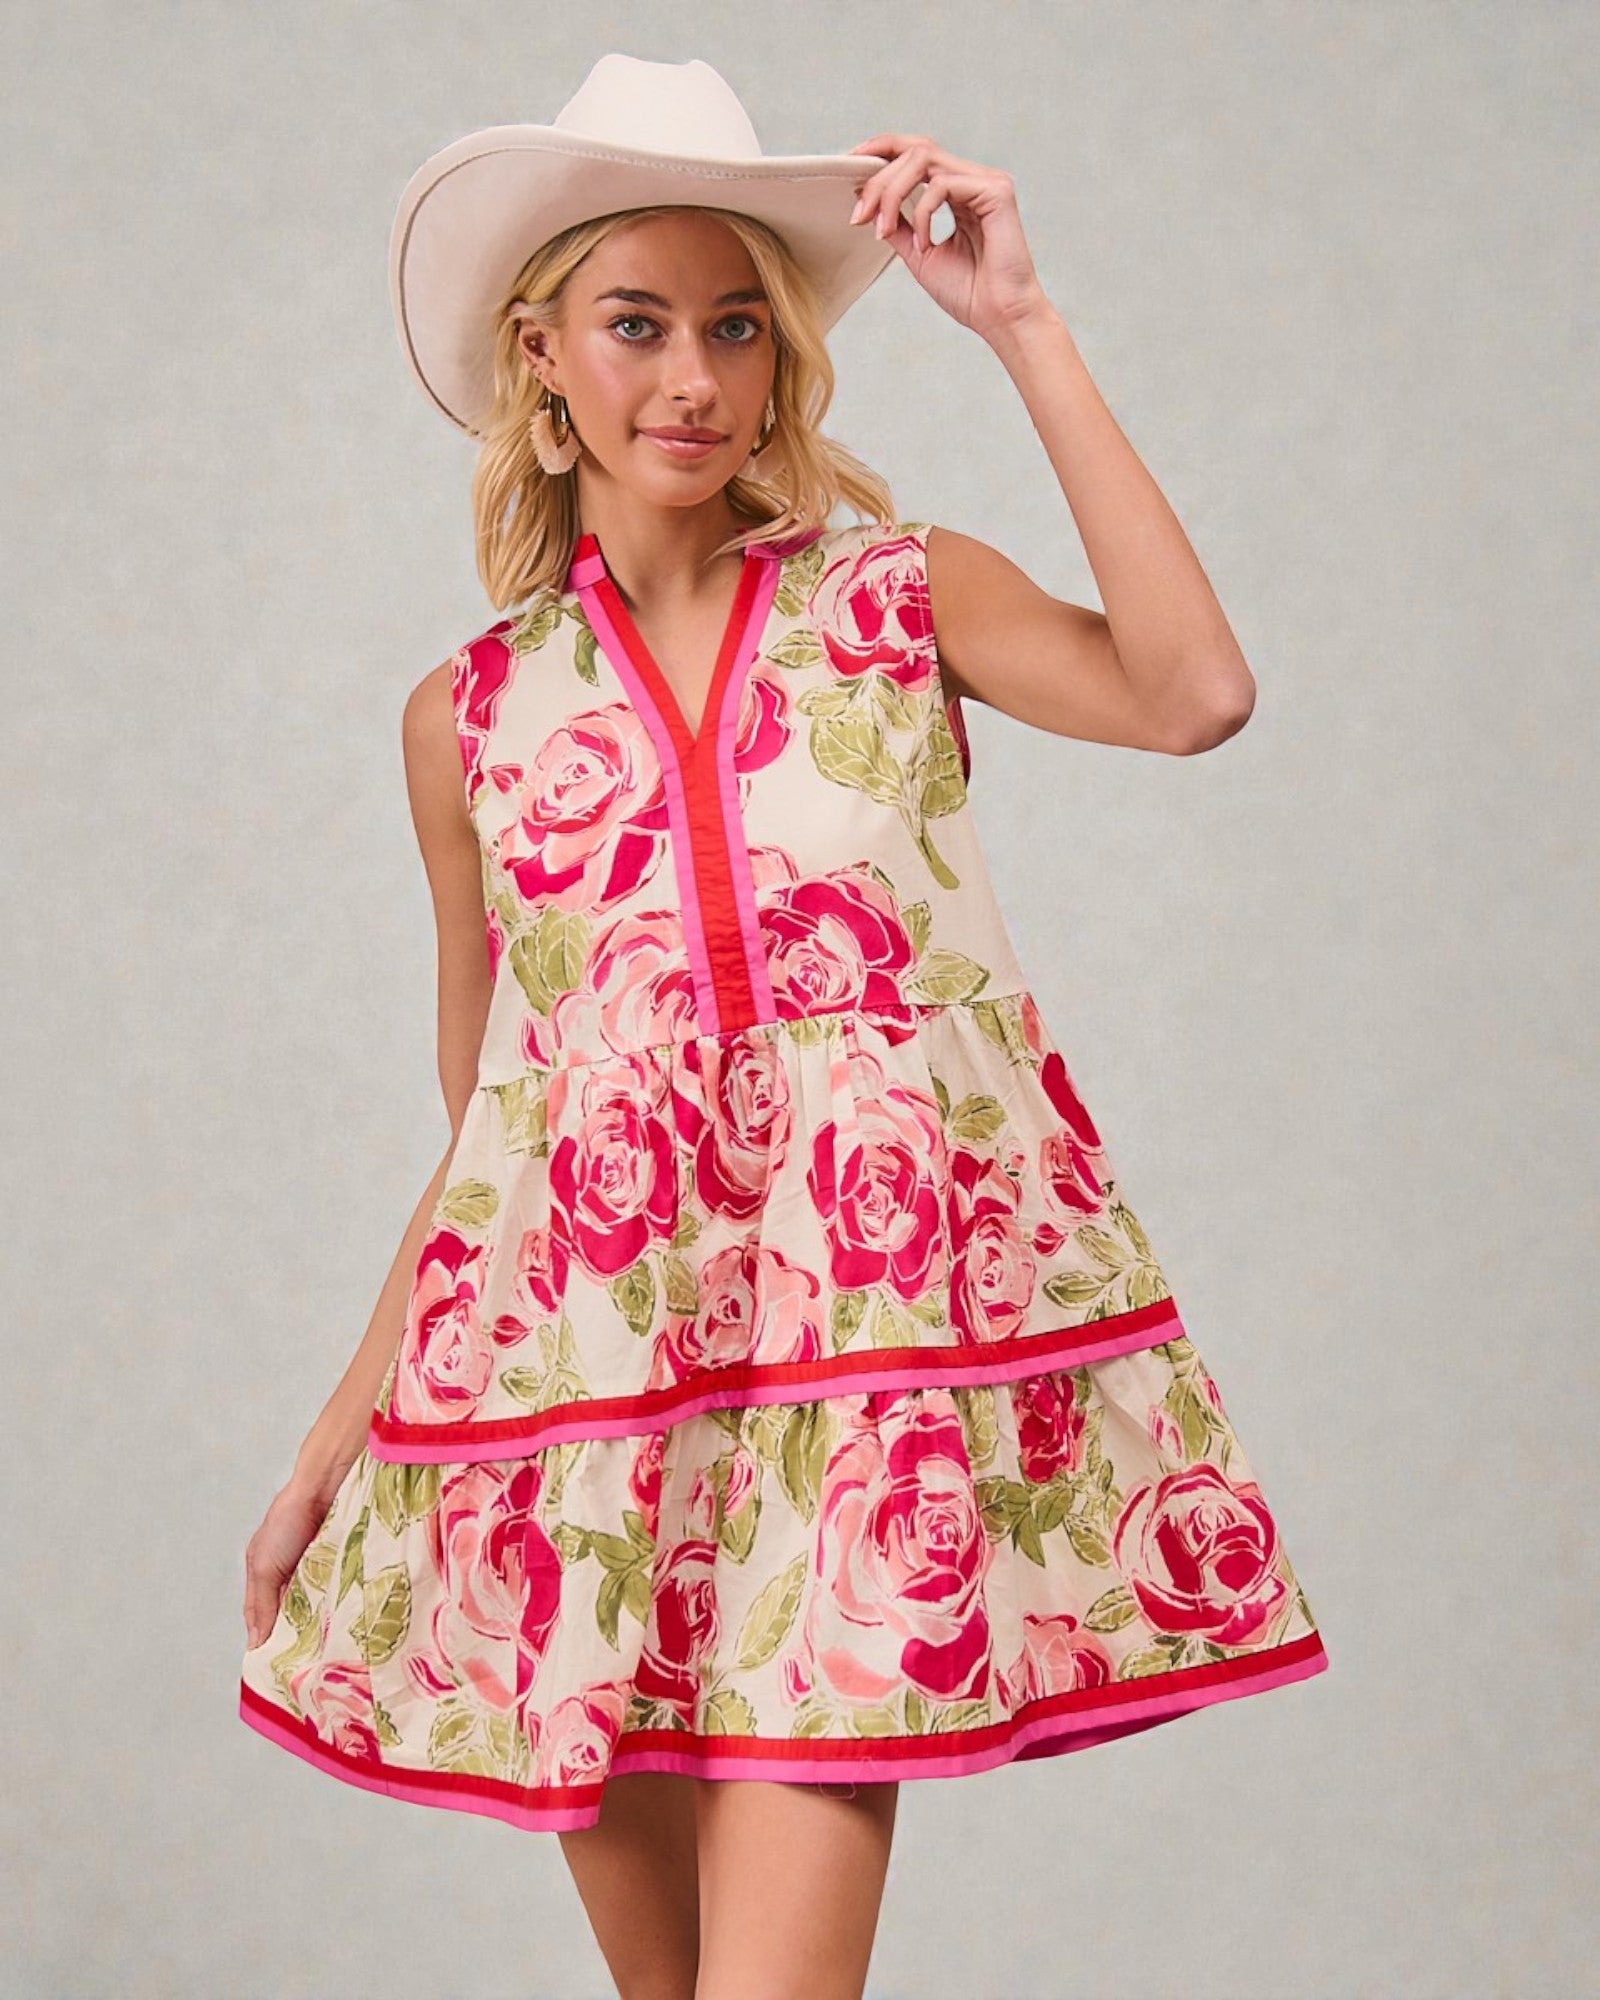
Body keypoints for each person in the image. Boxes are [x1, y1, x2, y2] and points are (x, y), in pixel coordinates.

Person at [239, 53, 1329, 2000]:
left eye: (733, 324)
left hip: (850, 1421)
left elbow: (1192, 692)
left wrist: (1021, 328)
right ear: (539, 355)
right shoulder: (467, 720)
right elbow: (494, 1135)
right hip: (577, 1425)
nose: (691, 375)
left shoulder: (899, 604)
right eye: (634, 323)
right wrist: (342, 1430)